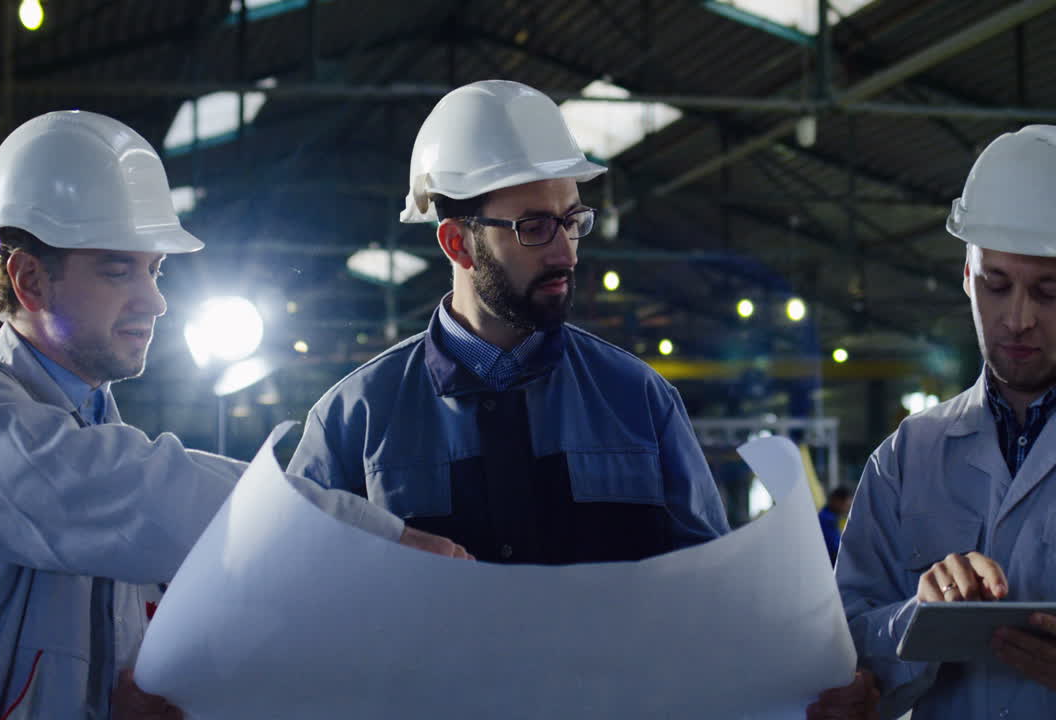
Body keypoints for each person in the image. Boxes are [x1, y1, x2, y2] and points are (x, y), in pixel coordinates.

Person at [0, 110, 467, 719]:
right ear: (29, 280)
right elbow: (138, 497)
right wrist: (374, 539)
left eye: (154, 270)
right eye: (117, 269)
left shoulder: (109, 445)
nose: (155, 300)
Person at [287, 80, 730, 564]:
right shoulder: (355, 418)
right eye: (534, 228)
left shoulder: (640, 400)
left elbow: (711, 584)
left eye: (573, 221)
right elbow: (288, 578)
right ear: (458, 244)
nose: (566, 253)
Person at [813, 125, 1056, 719]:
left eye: (1048, 291)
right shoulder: (907, 459)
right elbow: (842, 658)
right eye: (996, 284)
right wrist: (922, 618)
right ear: (967, 275)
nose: (1016, 319)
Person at [819, 486, 853, 564]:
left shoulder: (828, 517)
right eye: (846, 505)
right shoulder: (826, 520)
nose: (847, 509)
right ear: (837, 501)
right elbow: (836, 549)